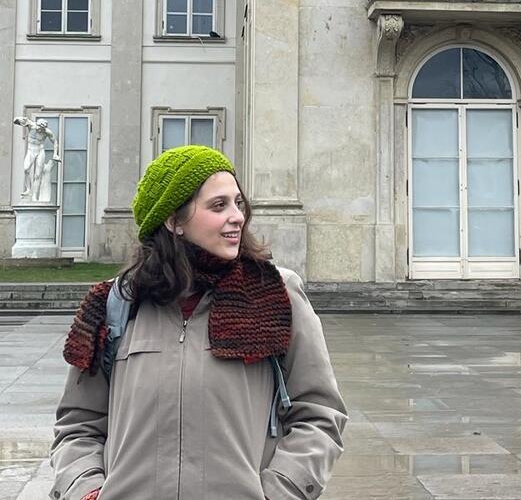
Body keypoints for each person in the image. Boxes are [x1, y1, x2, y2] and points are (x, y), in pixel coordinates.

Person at [50, 146, 348, 500]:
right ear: (173, 221)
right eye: (218, 206)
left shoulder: (276, 294)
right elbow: (77, 424)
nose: (237, 216)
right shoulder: (116, 304)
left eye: (238, 203)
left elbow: (319, 415)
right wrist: (85, 487)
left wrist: (281, 491)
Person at [13, 116, 61, 201]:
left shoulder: (47, 132)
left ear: (44, 128)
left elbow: (55, 142)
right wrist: (20, 120)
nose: (39, 130)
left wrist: (55, 154)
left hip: (40, 150)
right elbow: (17, 120)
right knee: (26, 169)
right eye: (38, 127)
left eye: (41, 129)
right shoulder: (31, 125)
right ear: (37, 125)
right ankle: (28, 190)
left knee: (38, 175)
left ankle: (35, 196)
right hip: (31, 150)